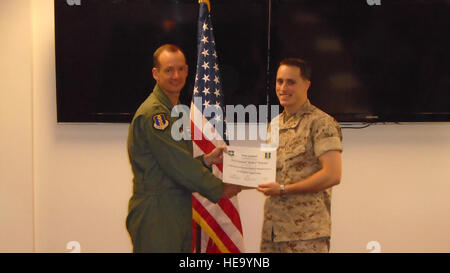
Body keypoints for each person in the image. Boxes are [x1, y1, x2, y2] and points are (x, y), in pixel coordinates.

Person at [126, 44, 241, 253]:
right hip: (158, 214)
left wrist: (206, 161)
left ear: (188, 71)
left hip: (173, 209)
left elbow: (172, 166)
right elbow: (178, 165)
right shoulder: (156, 114)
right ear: (155, 73)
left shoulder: (174, 111)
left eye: (180, 69)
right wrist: (220, 189)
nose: (176, 75)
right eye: (168, 70)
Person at [257, 58, 343, 253]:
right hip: (273, 232)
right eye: (280, 81)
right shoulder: (275, 124)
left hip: (306, 235)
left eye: (291, 82)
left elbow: (333, 174)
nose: (283, 88)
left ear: (307, 84)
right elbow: (263, 171)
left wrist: (285, 189)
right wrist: (229, 162)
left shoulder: (321, 123)